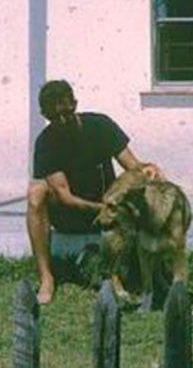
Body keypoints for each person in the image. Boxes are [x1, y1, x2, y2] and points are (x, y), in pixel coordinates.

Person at [26, 79, 161, 304]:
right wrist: (101, 208)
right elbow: (65, 197)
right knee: (36, 194)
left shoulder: (100, 126)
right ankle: (47, 277)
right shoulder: (46, 143)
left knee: (147, 178)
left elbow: (132, 166)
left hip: (108, 206)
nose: (62, 121)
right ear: (45, 114)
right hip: (73, 213)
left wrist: (150, 171)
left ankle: (155, 266)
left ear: (75, 104)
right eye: (54, 117)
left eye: (66, 113)